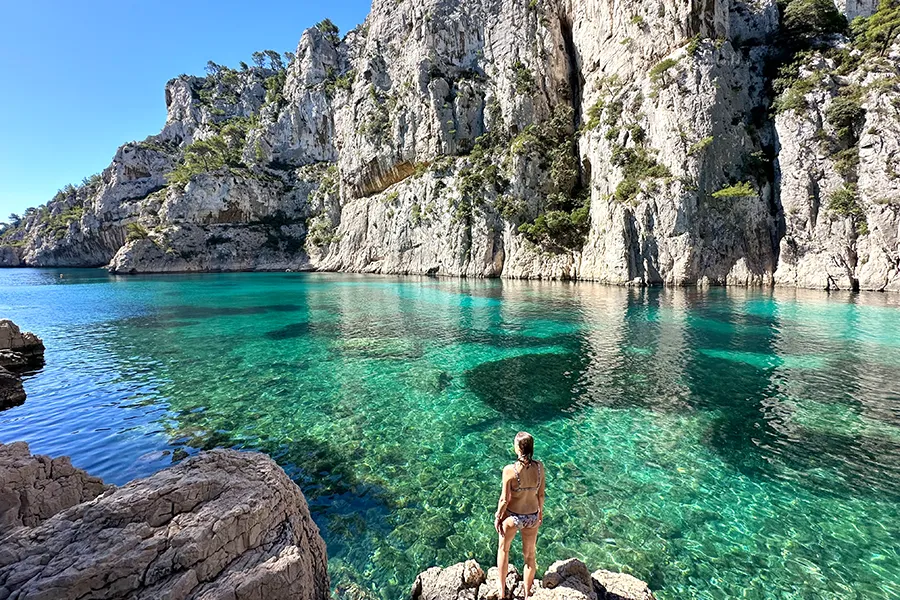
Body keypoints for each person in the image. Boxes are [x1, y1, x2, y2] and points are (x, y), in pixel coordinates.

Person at [494, 431, 545, 600]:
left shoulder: (510, 470)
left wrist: (498, 516)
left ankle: (502, 593)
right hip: (532, 517)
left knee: (503, 550)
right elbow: (541, 495)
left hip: (513, 518)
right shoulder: (539, 468)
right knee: (530, 556)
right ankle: (527, 593)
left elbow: (504, 499)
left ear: (517, 448)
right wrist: (540, 513)